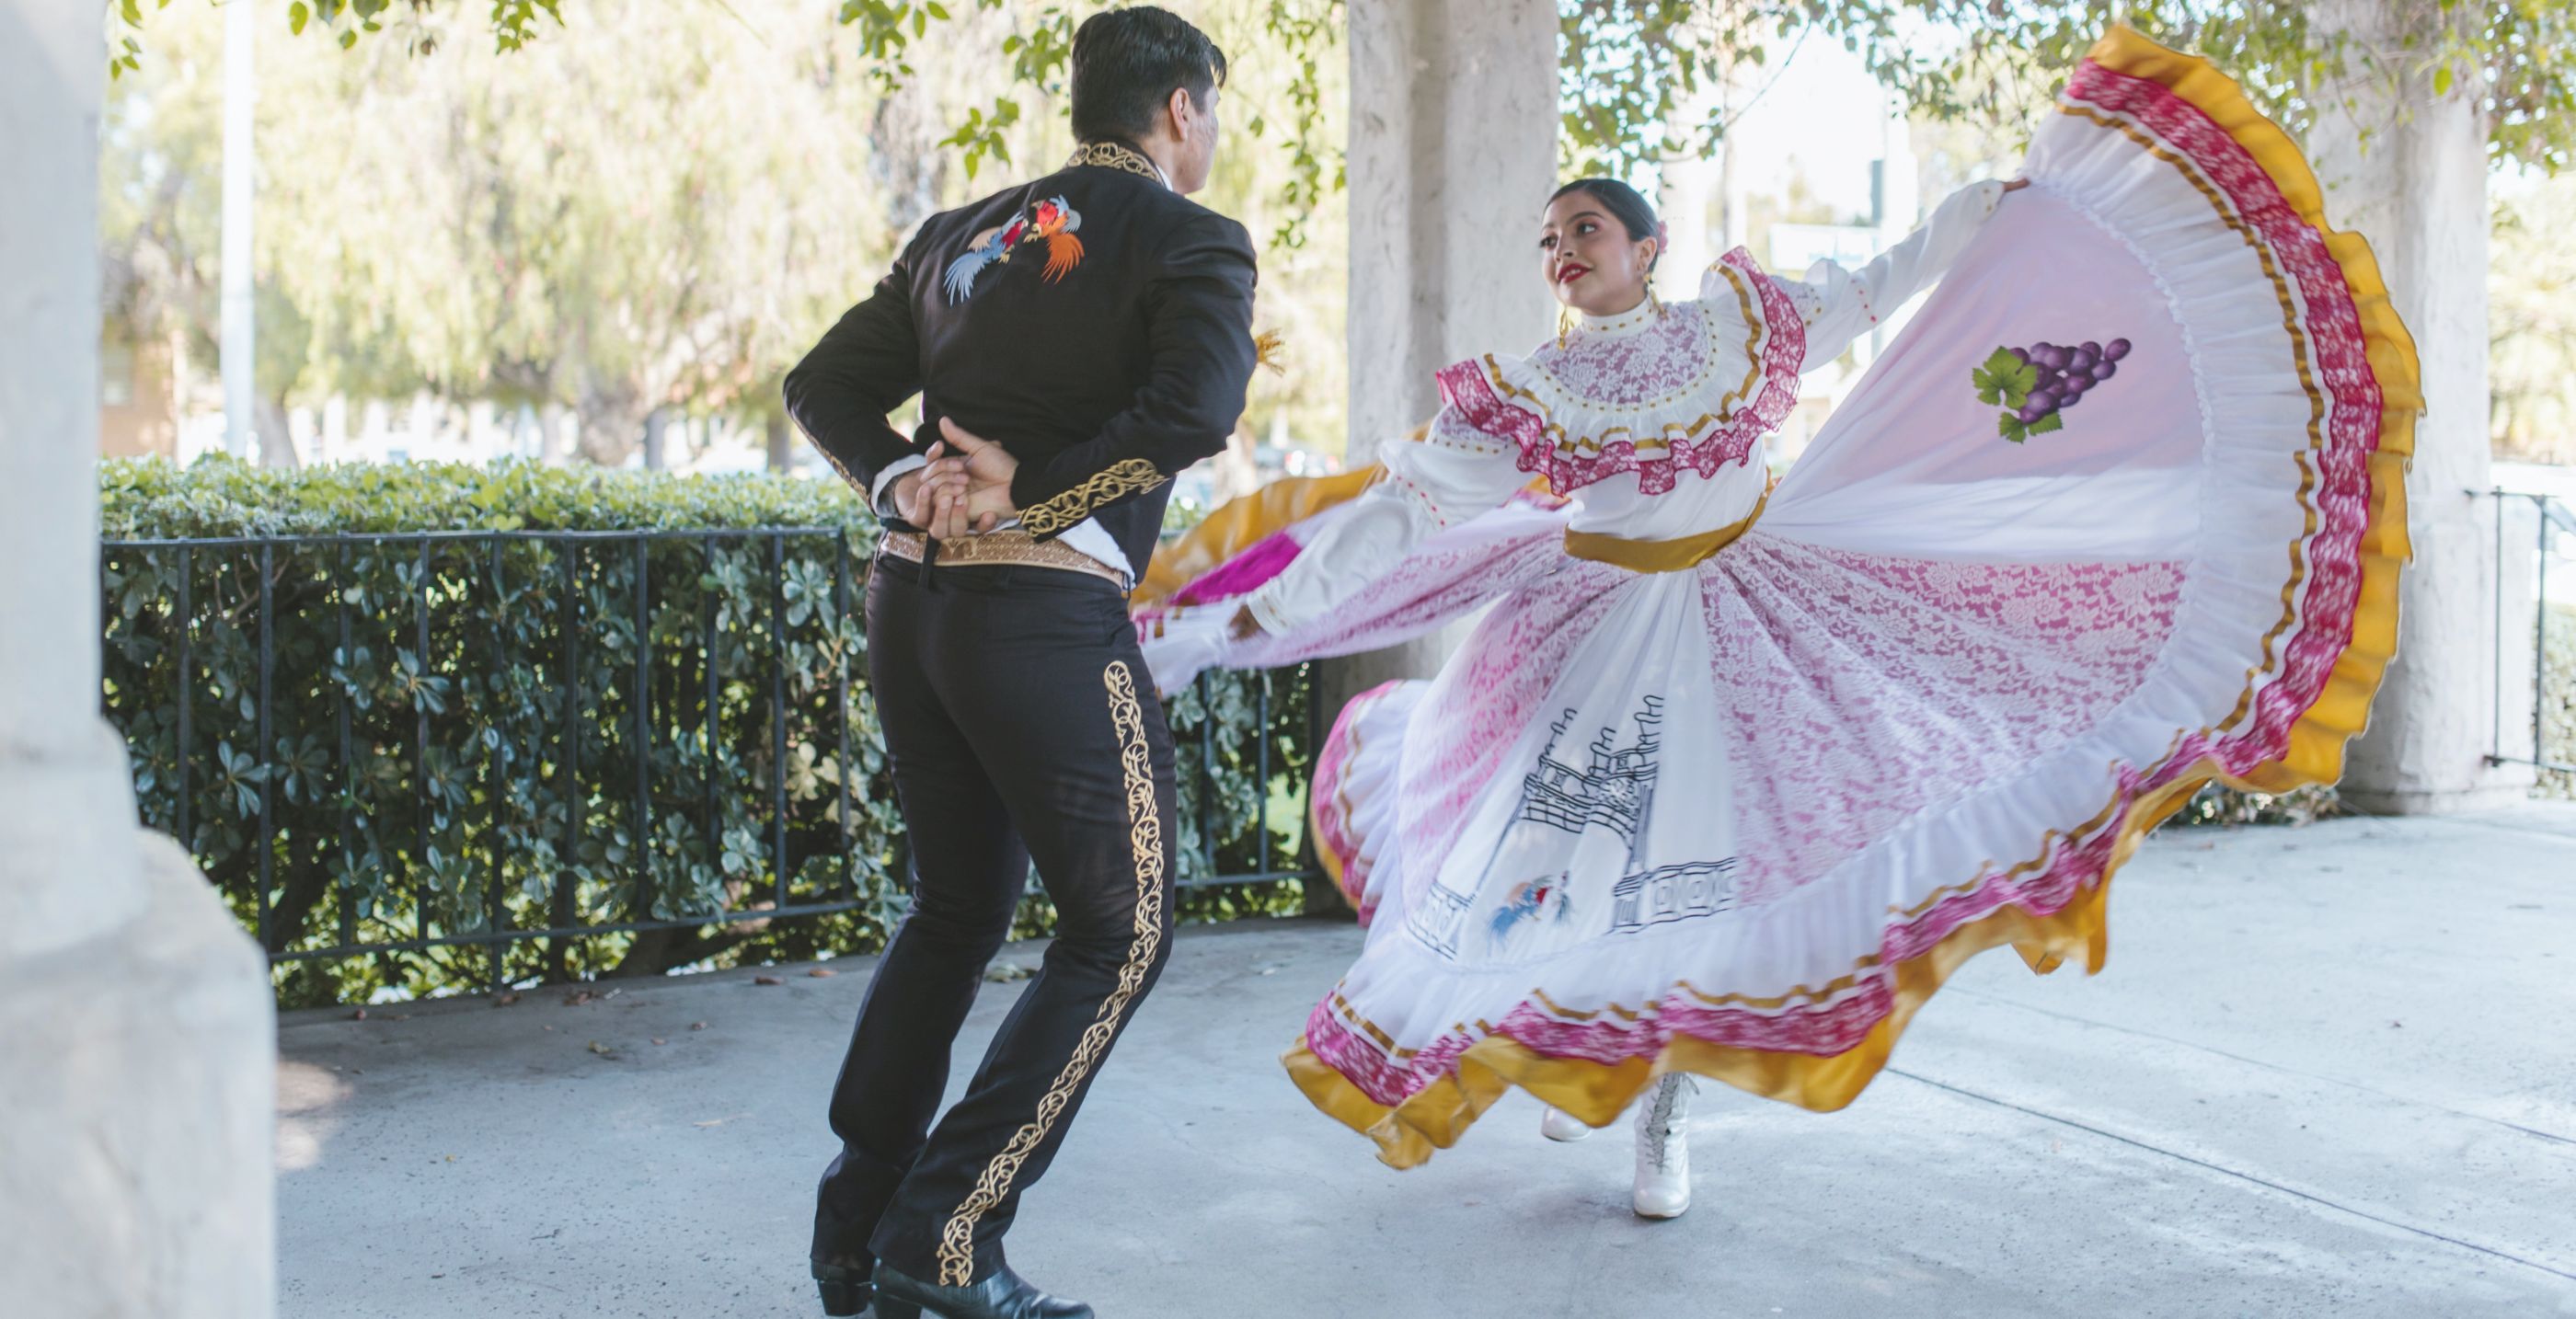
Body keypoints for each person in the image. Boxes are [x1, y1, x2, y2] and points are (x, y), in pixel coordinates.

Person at [1129, 26, 2415, 1220]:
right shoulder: (1534, 390)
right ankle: (1592, 1065)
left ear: (1650, 248)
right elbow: (1406, 507)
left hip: (1747, 621)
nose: (1563, 249)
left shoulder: (1743, 329)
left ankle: (1660, 1116)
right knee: (1573, 885)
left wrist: (1993, 210)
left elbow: (1881, 282)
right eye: (1549, 237)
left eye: (1586, 227)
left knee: (1711, 882)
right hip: (1584, 637)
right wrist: (1254, 610)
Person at [783, 8, 1257, 1316]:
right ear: (1178, 110)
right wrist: (1031, 496)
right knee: (1124, 923)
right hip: (1043, 623)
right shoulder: (1192, 235)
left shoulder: (958, 238)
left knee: (956, 909)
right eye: (1210, 112)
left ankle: (856, 1224)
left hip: (914, 615)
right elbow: (1198, 412)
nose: (1210, 135)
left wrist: (898, 484)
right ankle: (944, 1233)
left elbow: (819, 381)